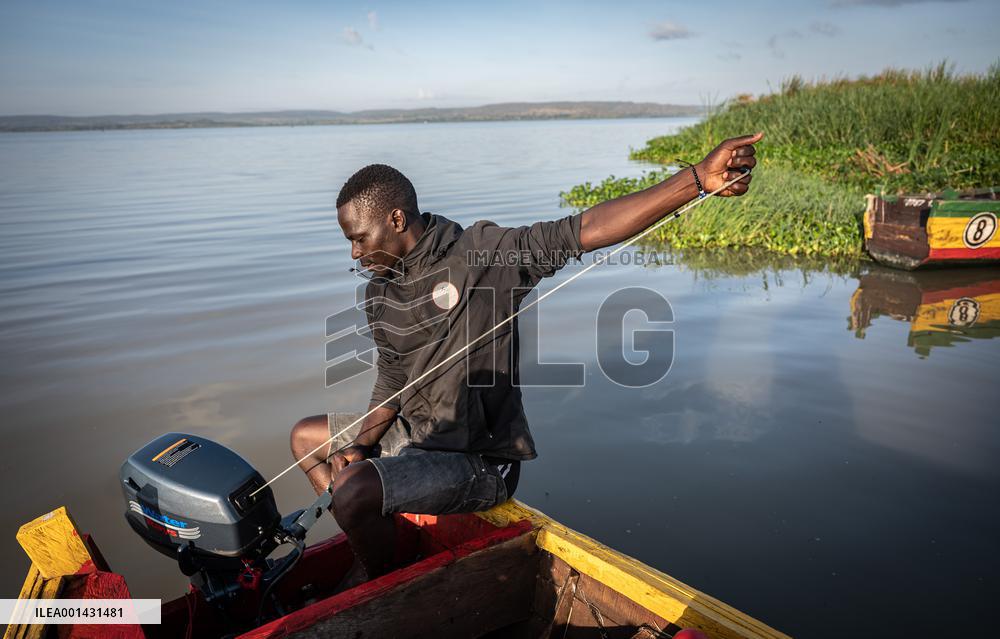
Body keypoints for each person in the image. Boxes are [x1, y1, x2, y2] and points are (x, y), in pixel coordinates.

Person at [290, 132, 762, 579]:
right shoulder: (379, 292)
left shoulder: (481, 254)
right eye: (349, 242)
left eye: (359, 238)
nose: (354, 253)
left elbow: (587, 229)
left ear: (396, 220)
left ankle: (378, 578)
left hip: (475, 460)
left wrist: (696, 179)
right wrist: (358, 445)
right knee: (306, 439)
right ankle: (378, 537)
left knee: (352, 492)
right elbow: (392, 378)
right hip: (416, 434)